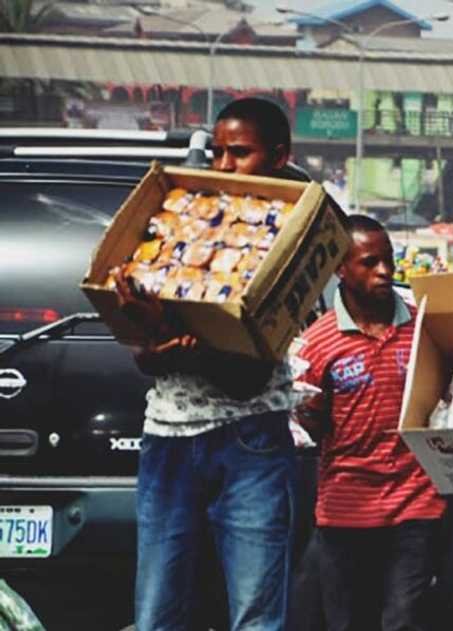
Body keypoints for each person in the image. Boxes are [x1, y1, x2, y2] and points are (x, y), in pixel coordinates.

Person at [117, 97, 301, 630]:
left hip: (250, 441)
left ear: (278, 156)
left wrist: (174, 332)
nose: (223, 165)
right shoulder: (181, 224)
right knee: (157, 615)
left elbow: (249, 378)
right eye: (218, 151)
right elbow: (147, 362)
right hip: (167, 439)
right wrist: (156, 341)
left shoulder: (289, 238)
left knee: (256, 616)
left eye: (239, 153)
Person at [293, 216, 445, 631]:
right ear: (341, 268)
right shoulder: (317, 344)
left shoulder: (423, 327)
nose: (384, 271)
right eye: (370, 262)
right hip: (346, 507)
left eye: (389, 261)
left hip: (416, 500)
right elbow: (310, 423)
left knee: (403, 618)